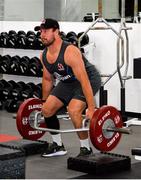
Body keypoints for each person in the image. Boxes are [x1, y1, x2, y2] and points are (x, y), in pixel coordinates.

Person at [34, 18, 101, 157]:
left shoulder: (70, 51)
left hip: (88, 79)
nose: (42, 34)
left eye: (46, 31)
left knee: (74, 110)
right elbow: (47, 79)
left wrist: (91, 108)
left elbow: (84, 81)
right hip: (67, 82)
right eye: (40, 31)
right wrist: (43, 102)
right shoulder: (44, 54)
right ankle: (58, 145)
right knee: (46, 110)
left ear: (56, 31)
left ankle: (85, 148)